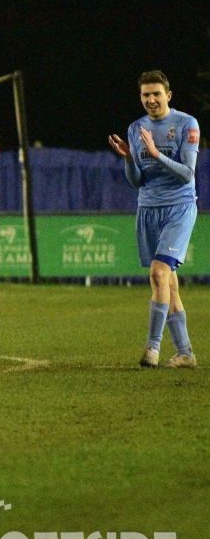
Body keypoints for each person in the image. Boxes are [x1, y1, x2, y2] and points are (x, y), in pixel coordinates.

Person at [108, 70, 200, 368]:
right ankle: (185, 353)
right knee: (168, 283)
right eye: (146, 94)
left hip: (179, 207)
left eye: (156, 94)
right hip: (148, 208)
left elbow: (188, 173)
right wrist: (129, 158)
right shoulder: (136, 128)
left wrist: (155, 153)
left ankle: (152, 349)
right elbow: (137, 181)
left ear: (168, 96)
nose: (151, 99)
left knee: (159, 273)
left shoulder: (186, 124)